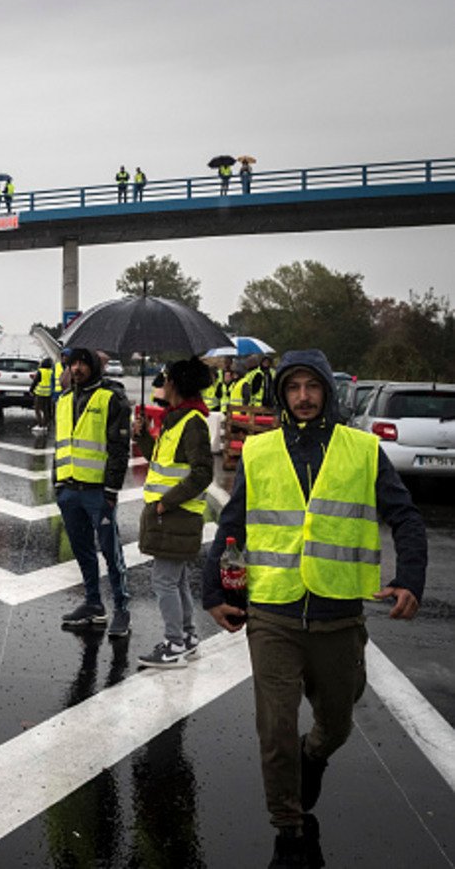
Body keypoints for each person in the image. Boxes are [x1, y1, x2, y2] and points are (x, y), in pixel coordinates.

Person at [201, 349, 426, 868]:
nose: (303, 397)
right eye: (293, 388)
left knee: (338, 722)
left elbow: (407, 518)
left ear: (327, 391)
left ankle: (315, 754)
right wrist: (214, 592)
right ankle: (289, 830)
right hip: (274, 613)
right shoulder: (258, 451)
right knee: (275, 731)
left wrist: (410, 578)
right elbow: (232, 525)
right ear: (282, 395)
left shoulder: (363, 450)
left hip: (338, 615)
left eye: (312, 387)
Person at [132, 358, 213, 668]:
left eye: (165, 379)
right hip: (167, 515)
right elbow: (159, 460)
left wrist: (167, 502)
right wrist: (141, 436)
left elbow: (202, 472)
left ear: (176, 385)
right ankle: (188, 637)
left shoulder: (192, 422)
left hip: (176, 515)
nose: (161, 384)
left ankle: (174, 643)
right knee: (176, 580)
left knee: (164, 581)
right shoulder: (174, 419)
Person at [56, 347, 133, 637]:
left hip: (98, 492)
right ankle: (93, 604)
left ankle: (122, 609)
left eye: (82, 364)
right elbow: (61, 444)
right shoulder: (63, 400)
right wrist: (57, 484)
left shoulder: (111, 398)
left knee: (111, 552)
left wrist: (111, 490)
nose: (76, 368)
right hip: (69, 489)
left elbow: (118, 450)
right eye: (73, 363)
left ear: (93, 367)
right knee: (82, 550)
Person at [32, 357, 53, 431]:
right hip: (48, 394)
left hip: (40, 393)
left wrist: (31, 390)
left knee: (38, 410)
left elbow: (35, 381)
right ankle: (45, 424)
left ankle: (40, 424)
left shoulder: (40, 371)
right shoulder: (51, 371)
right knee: (46, 410)